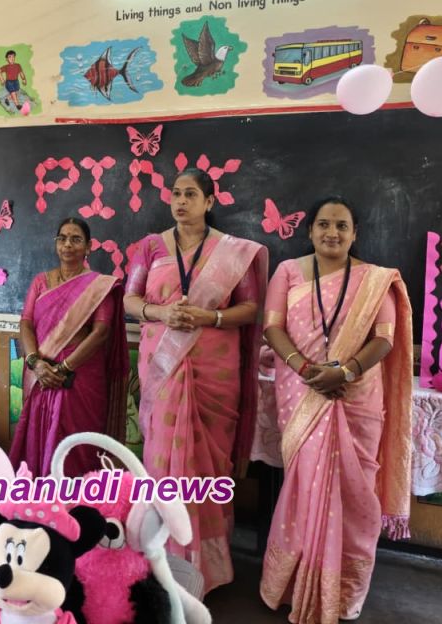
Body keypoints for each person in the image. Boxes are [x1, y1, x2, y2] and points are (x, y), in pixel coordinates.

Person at [259, 196, 413, 623]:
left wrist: (345, 372)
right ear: (309, 230)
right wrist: (306, 368)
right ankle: (292, 585)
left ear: (354, 233)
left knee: (355, 490)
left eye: (342, 226)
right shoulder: (288, 272)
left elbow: (384, 338)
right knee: (303, 486)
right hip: (302, 391)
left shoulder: (374, 280)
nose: (332, 232)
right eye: (324, 224)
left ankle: (342, 591)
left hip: (356, 396)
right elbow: (272, 327)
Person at [123, 168, 267, 594]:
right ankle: (159, 556)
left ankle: (208, 568)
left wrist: (210, 317)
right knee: (163, 461)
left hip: (214, 374)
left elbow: (250, 309)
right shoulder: (150, 247)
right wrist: (162, 313)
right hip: (163, 370)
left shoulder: (233, 251)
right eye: (176, 193)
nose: (181, 201)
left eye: (190, 194)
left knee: (208, 466)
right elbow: (130, 299)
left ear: (209, 201)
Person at [9, 217, 129, 477]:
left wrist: (63, 368)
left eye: (76, 239)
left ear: (88, 246)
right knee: (38, 438)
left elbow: (101, 332)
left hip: (80, 376)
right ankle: (40, 495)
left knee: (77, 443)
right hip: (41, 372)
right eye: (62, 238)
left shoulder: (99, 286)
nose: (67, 245)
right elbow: (26, 322)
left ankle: (75, 497)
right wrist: (35, 363)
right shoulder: (40, 281)